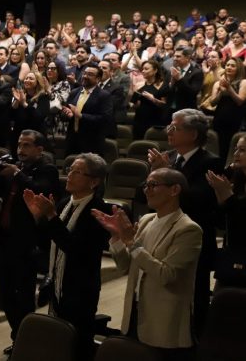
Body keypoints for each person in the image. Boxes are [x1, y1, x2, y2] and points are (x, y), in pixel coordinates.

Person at [96, 169, 201, 361]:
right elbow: (125, 266)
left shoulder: (188, 229)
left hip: (163, 321)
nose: (146, 190)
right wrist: (117, 237)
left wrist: (131, 242)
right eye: (146, 185)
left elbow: (166, 275)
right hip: (135, 313)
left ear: (174, 190)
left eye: (153, 185)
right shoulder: (146, 220)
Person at [23, 153, 110, 361]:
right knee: (57, 342)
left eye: (77, 172)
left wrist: (51, 216)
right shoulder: (64, 204)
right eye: (70, 169)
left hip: (81, 288)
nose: (69, 175)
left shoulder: (99, 211)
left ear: (94, 181)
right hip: (58, 284)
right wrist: (38, 218)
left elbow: (75, 248)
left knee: (78, 344)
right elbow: (49, 243)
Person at [147, 109, 220, 335]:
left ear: (193, 134)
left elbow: (197, 199)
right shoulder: (168, 157)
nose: (169, 131)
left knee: (193, 299)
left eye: (175, 128)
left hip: (193, 237)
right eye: (169, 126)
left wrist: (166, 172)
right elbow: (146, 195)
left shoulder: (211, 162)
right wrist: (157, 173)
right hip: (162, 235)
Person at [0, 130, 60, 353]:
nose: (21, 149)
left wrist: (16, 174)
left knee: (23, 295)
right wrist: (0, 174)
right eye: (19, 145)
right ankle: (18, 336)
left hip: (27, 242)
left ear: (39, 149)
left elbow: (40, 192)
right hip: (5, 239)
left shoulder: (47, 170)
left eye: (27, 145)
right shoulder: (16, 167)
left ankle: (27, 342)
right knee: (5, 292)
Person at [206, 136, 246, 287]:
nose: (235, 154)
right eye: (236, 149)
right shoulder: (235, 178)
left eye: (242, 150)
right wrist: (220, 195)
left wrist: (227, 195)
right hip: (232, 253)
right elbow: (221, 223)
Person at [62, 63, 112, 155]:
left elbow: (105, 119)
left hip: (91, 142)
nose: (85, 76)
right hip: (72, 140)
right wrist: (67, 114)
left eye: (90, 74)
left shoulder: (104, 96)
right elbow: (65, 114)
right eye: (84, 73)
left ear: (98, 79)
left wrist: (81, 115)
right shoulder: (74, 92)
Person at [210, 58, 246, 161]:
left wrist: (229, 88)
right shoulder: (218, 83)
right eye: (227, 65)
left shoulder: (243, 82)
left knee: (229, 150)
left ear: (239, 68)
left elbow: (240, 101)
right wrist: (221, 93)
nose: (229, 67)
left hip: (235, 121)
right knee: (217, 149)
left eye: (233, 66)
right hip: (219, 120)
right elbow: (212, 103)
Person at [130, 60, 170, 139]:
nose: (143, 71)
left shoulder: (163, 85)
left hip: (156, 118)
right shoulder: (139, 85)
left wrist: (153, 99)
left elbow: (165, 105)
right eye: (142, 69)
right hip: (140, 119)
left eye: (146, 69)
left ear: (155, 70)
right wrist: (133, 102)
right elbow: (135, 105)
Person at [168, 47, 203, 117]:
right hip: (170, 110)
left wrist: (180, 79)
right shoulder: (172, 70)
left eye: (178, 56)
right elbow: (166, 90)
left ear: (187, 58)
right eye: (174, 56)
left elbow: (193, 92)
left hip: (186, 112)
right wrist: (171, 83)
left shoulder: (197, 72)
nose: (174, 58)